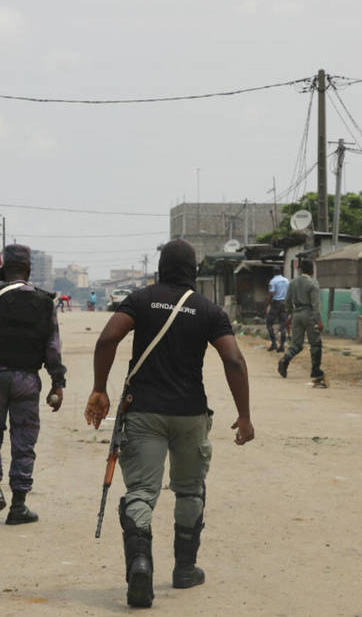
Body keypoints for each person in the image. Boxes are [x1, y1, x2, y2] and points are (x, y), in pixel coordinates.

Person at [84, 239, 254, 609]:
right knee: (190, 490)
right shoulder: (209, 310)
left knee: (142, 492)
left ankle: (140, 564)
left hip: (144, 411)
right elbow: (234, 361)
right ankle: (185, 569)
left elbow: (108, 339)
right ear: (193, 271)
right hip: (191, 414)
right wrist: (244, 415)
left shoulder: (141, 300)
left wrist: (100, 388)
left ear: (160, 268)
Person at [0, 244, 66, 525]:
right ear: (28, 270)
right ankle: (18, 506)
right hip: (27, 379)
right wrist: (57, 383)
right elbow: (53, 347)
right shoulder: (44, 301)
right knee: (24, 441)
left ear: (3, 266)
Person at [278, 258, 324, 379]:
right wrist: (319, 321)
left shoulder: (292, 282)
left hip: (296, 314)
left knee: (296, 344)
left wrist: (290, 315)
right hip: (309, 315)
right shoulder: (313, 283)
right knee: (315, 343)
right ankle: (315, 370)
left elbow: (287, 301)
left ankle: (284, 360)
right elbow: (316, 305)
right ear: (312, 270)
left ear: (301, 269)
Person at [265, 270, 290, 352]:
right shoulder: (286, 280)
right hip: (285, 303)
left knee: (269, 323)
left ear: (273, 273)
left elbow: (271, 294)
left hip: (276, 303)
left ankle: (274, 343)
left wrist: (267, 305)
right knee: (283, 324)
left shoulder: (273, 281)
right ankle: (282, 346)